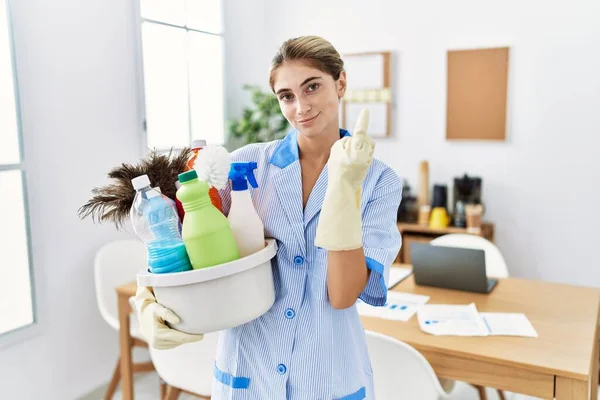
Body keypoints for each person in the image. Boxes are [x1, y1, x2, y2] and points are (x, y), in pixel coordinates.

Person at [135, 35, 402, 400]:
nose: (300, 107)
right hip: (248, 368)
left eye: (312, 87)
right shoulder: (248, 163)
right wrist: (146, 297)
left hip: (326, 373)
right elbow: (183, 242)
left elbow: (341, 295)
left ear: (340, 83)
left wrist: (343, 189)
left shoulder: (379, 181)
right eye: (286, 96)